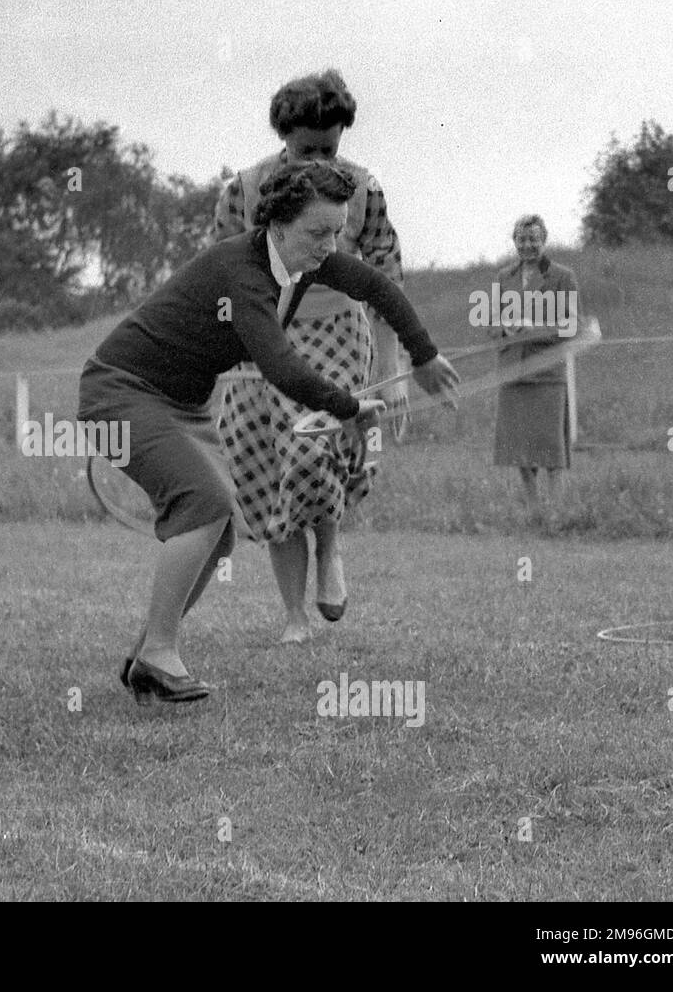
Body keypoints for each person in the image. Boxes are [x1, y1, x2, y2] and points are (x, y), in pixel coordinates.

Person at [78, 161, 459, 704]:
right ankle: (160, 653)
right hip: (119, 391)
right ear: (278, 223)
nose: (330, 244)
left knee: (218, 529)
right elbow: (280, 365)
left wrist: (423, 354)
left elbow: (375, 285)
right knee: (205, 502)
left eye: (337, 230)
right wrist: (347, 405)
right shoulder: (245, 271)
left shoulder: (299, 261)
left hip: (179, 403)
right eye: (317, 232)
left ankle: (147, 655)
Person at [213, 68, 411, 642]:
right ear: (283, 138)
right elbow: (222, 277)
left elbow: (385, 277)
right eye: (305, 150)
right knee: (263, 467)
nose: (316, 160)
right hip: (263, 338)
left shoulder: (362, 188)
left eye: (329, 148)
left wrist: (393, 370)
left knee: (312, 448)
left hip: (336, 334)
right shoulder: (244, 190)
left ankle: (329, 550)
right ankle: (293, 616)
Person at [492, 214, 580, 515]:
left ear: (544, 240)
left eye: (534, 239)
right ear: (514, 241)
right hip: (513, 372)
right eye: (522, 239)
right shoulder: (504, 277)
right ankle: (534, 512)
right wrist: (506, 328)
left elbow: (570, 325)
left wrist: (532, 327)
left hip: (547, 373)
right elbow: (491, 324)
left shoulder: (562, 276)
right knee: (521, 449)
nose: (528, 245)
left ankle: (556, 513)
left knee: (551, 448)